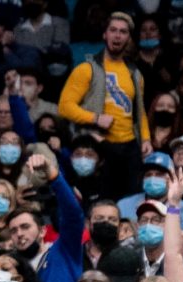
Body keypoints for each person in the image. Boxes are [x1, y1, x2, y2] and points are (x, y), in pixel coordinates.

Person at [58, 12, 150, 200]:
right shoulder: (86, 69)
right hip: (99, 146)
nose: (117, 36)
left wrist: (146, 139)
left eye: (123, 32)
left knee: (132, 200)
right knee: (103, 202)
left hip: (130, 146)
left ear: (128, 38)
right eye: (113, 30)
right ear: (104, 35)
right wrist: (95, 118)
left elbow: (139, 112)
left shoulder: (135, 74)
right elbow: (64, 106)